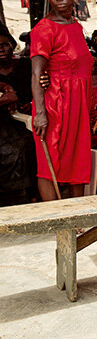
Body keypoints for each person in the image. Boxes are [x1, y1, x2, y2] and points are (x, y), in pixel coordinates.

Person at [31, 0, 95, 200]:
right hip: (55, 104)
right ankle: (55, 215)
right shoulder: (44, 29)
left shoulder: (75, 25)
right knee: (49, 164)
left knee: (78, 159)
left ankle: (77, 213)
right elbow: (36, 73)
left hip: (78, 104)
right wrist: (40, 113)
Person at [0, 26, 37, 206]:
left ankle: (33, 194)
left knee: (30, 143)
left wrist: (31, 103)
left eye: (5, 44)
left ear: (12, 45)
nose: (1, 49)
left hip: (29, 119)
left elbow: (41, 87)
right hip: (5, 122)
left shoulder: (26, 65)